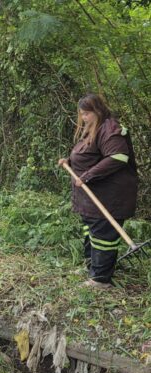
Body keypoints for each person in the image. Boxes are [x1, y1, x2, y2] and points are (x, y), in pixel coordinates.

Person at [58, 94, 138, 289]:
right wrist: (69, 162)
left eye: (87, 113)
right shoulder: (94, 129)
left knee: (103, 235)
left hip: (109, 196)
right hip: (91, 198)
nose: (83, 118)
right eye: (82, 114)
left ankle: (100, 279)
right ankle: (92, 267)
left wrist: (86, 176)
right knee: (92, 232)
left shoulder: (110, 128)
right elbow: (89, 155)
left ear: (98, 111)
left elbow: (118, 157)